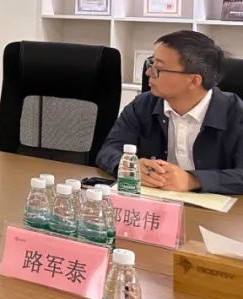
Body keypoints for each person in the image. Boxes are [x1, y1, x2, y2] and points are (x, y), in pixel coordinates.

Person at [97, 30, 243, 195]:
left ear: (194, 81)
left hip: (216, 208)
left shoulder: (236, 114)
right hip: (153, 202)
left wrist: (192, 180)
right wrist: (130, 166)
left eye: (158, 68)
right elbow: (108, 151)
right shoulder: (142, 105)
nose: (148, 73)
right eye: (151, 64)